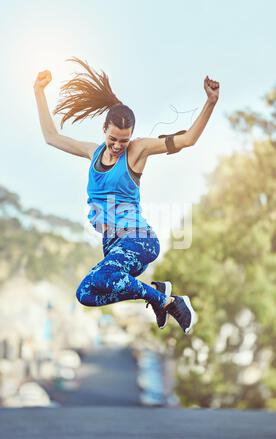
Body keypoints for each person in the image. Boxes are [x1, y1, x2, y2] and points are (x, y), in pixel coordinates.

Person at [33, 57, 220, 334]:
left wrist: (211, 102)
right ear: (104, 130)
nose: (119, 145)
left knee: (104, 276)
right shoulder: (91, 152)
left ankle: (168, 301)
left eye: (124, 139)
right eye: (114, 139)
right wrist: (39, 91)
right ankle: (159, 296)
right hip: (114, 247)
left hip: (138, 240)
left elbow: (187, 139)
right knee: (86, 293)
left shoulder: (138, 151)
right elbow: (51, 136)